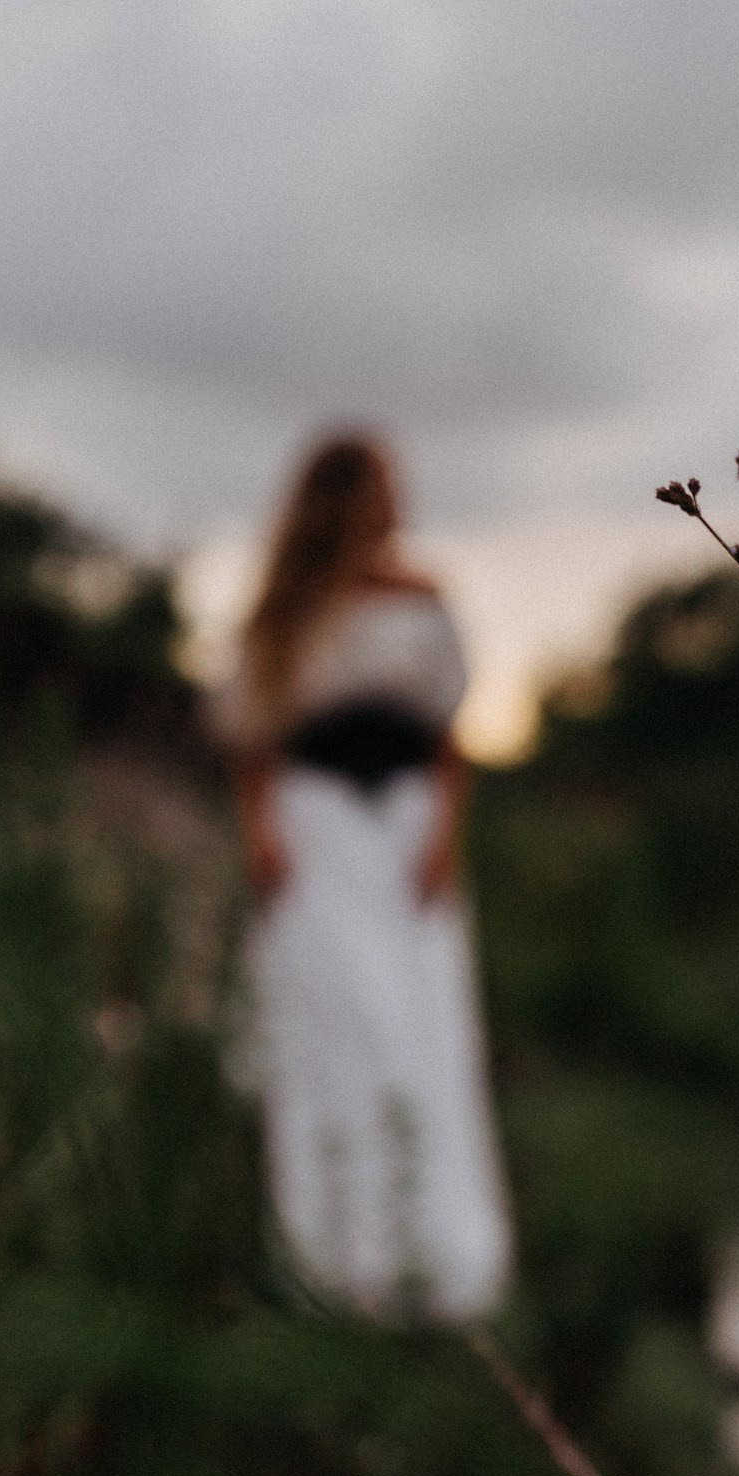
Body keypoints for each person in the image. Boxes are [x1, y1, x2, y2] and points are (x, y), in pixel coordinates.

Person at [215, 432, 510, 1320]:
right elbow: (253, 743)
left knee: (418, 1024)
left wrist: (442, 840)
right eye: (383, 486)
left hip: (406, 828)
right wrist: (261, 832)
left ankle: (430, 1253)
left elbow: (449, 735)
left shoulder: (424, 598)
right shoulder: (283, 610)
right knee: (338, 1025)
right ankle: (335, 1254)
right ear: (345, 498)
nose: (397, 502)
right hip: (317, 831)